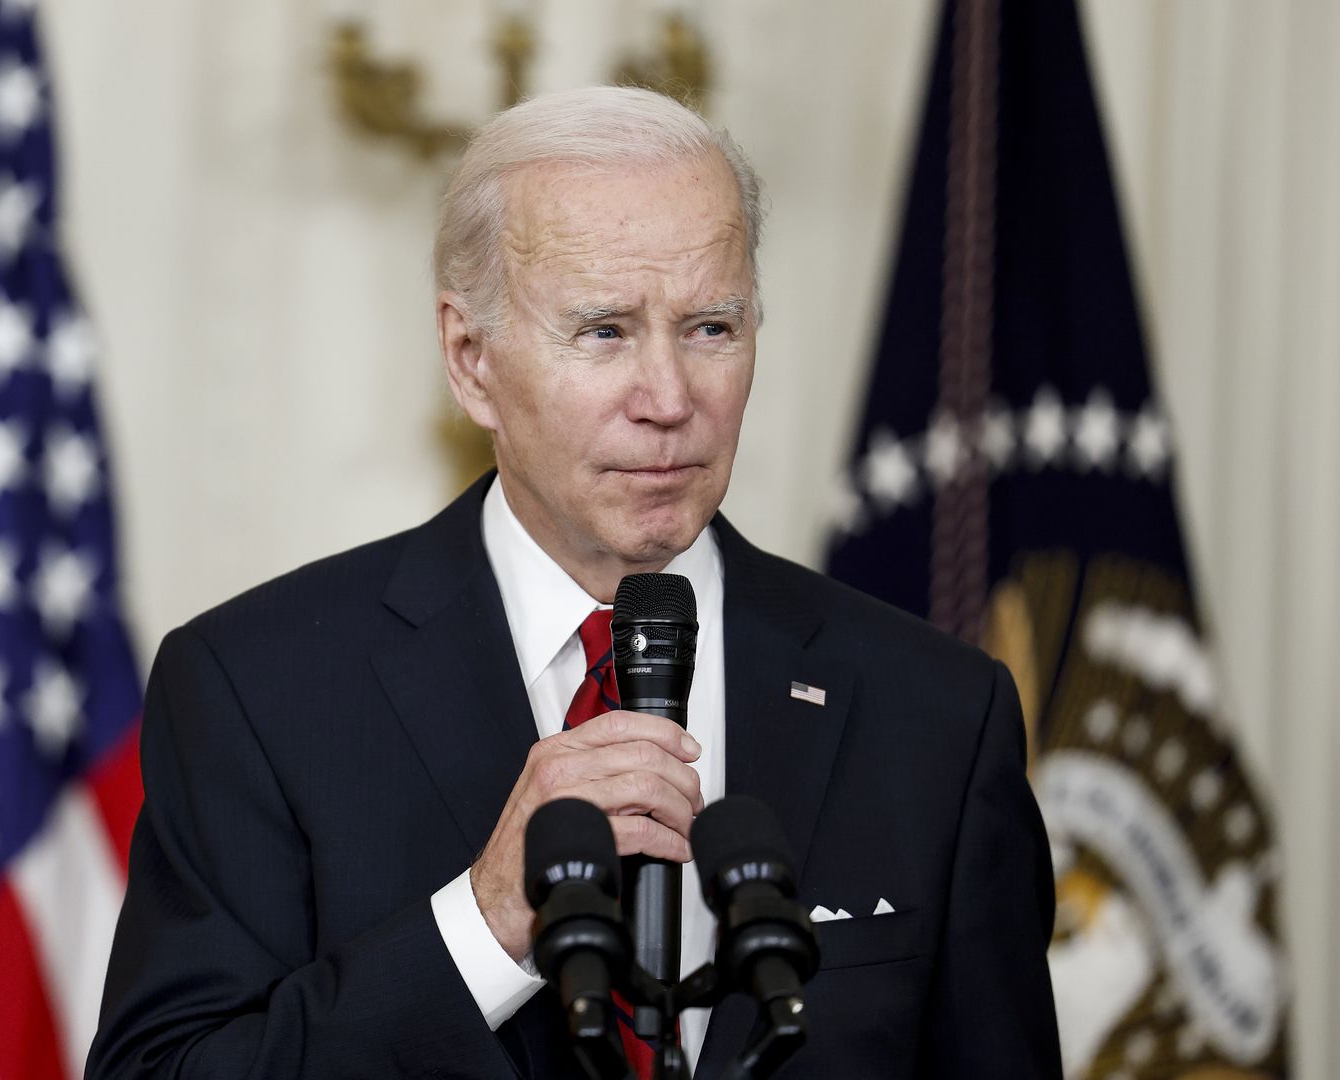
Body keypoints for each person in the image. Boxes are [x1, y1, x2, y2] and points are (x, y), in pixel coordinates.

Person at [85, 86, 1058, 1079]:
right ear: (470, 361)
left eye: (711, 328)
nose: (671, 399)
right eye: (604, 332)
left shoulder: (936, 715)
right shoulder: (261, 691)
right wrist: (483, 923)